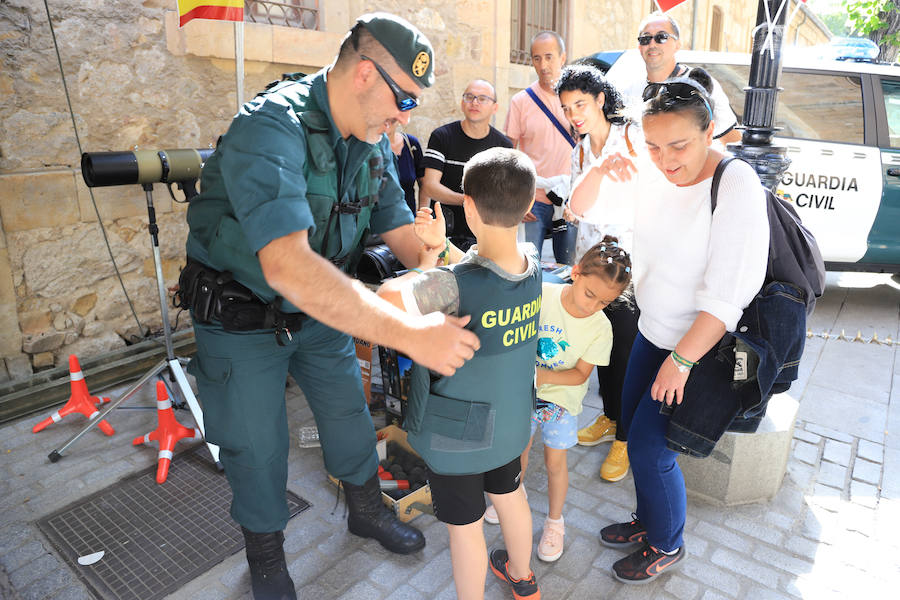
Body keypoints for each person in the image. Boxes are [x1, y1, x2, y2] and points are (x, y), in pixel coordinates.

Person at [181, 13, 481, 600]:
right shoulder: (271, 127)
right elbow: (287, 266)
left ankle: (366, 510)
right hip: (240, 318)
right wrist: (410, 334)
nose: (405, 118)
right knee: (257, 445)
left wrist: (439, 260)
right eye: (404, 101)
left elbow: (399, 233)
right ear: (365, 74)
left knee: (348, 415)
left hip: (320, 316)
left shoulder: (369, 143)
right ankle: (266, 557)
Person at [571, 69, 768, 584]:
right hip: (651, 330)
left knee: (651, 448)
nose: (665, 160)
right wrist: (604, 167)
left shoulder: (736, 184)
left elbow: (729, 296)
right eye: (653, 146)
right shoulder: (652, 171)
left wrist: (681, 362)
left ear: (710, 132)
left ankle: (667, 543)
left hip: (699, 347)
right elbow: (579, 208)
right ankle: (648, 520)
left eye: (678, 145)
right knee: (632, 434)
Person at [377, 147, 543, 600]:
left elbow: (391, 297)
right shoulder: (531, 264)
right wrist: (441, 248)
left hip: (459, 436)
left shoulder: (450, 283)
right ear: (528, 208)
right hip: (510, 421)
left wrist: (428, 258)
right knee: (512, 497)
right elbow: (484, 267)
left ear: (466, 205)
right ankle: (524, 579)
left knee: (465, 529)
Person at [484, 237, 631, 564]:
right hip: (521, 397)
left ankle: (554, 523)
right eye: (590, 294)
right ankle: (511, 501)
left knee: (555, 464)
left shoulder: (601, 329)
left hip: (560, 406)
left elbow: (580, 375)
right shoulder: (543, 294)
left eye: (604, 303)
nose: (592, 307)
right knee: (515, 455)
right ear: (575, 273)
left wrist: (541, 377)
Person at [553, 64, 643, 483]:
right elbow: (576, 209)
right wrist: (599, 170)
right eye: (568, 107)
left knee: (625, 351)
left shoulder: (634, 137)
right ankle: (608, 417)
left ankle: (626, 436)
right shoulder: (580, 150)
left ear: (601, 100)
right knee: (599, 347)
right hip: (591, 265)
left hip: (630, 268)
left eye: (581, 104)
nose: (574, 114)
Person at [606, 11, 742, 145]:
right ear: (639, 47)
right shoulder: (629, 90)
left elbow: (731, 140)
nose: (652, 44)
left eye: (662, 37)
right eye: (645, 39)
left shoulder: (701, 85)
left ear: (677, 44)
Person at [505, 31, 576, 264]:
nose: (543, 65)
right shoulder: (521, 102)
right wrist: (517, 197)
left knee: (569, 268)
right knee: (527, 265)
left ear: (562, 57)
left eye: (549, 57)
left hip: (569, 198)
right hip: (532, 199)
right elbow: (509, 153)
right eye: (537, 58)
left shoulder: (577, 99)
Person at [421, 79, 512, 249]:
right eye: (469, 97)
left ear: (495, 107)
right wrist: (469, 201)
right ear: (462, 103)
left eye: (482, 98)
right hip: (444, 233)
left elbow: (503, 193)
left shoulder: (504, 146)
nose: (474, 102)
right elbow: (429, 186)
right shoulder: (442, 137)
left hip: (486, 234)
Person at [387, 121, 424, 215]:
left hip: (408, 219)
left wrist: (422, 214)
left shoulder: (411, 143)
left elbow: (424, 184)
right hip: (376, 222)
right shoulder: (368, 147)